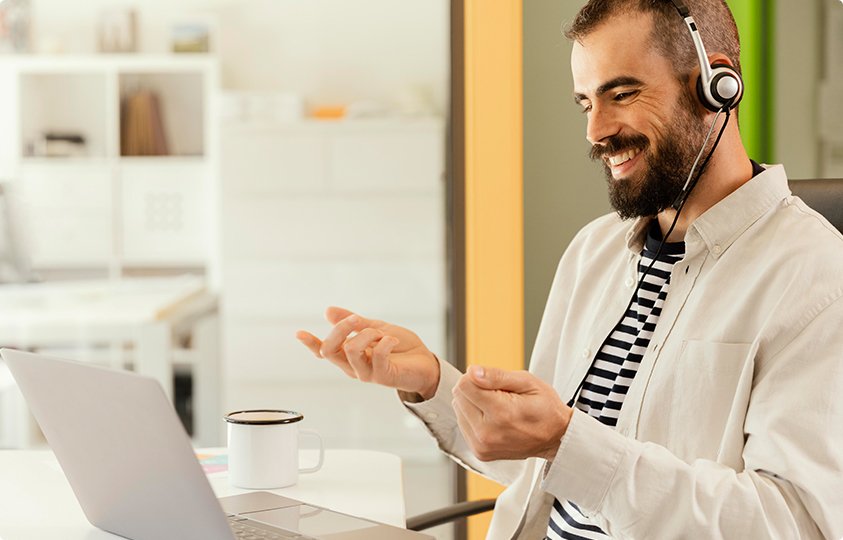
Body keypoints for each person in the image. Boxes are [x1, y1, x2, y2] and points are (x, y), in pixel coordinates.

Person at [296, 0, 843, 538]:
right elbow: (542, 468)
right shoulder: (594, 252)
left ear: (717, 85)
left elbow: (795, 524)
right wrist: (434, 383)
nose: (596, 131)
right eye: (586, 104)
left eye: (622, 94)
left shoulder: (815, 276)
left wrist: (566, 443)